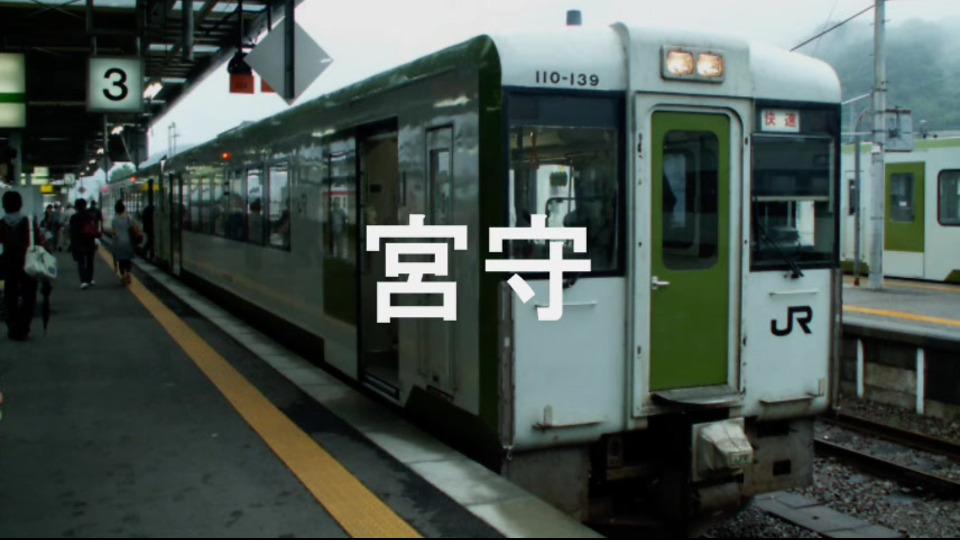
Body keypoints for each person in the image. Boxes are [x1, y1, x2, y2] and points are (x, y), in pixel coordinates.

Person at [0, 191, 50, 341]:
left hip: (8, 265)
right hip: (28, 264)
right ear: (20, 205)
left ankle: (12, 327)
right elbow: (40, 241)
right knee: (29, 296)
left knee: (10, 296)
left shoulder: (1, 224)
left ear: (4, 206)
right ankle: (23, 328)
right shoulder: (29, 222)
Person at [69, 198, 99, 289]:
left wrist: (72, 244)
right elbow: (95, 228)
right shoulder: (90, 216)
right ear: (85, 206)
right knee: (90, 261)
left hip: (79, 242)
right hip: (90, 241)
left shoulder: (74, 217)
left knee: (81, 262)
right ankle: (89, 279)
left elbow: (72, 232)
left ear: (76, 207)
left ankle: (83, 282)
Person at [110, 201, 138, 287]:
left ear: (116, 209)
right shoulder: (129, 218)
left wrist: (113, 239)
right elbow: (134, 227)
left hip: (118, 242)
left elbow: (114, 232)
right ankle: (128, 273)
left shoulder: (114, 219)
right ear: (124, 208)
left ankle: (123, 276)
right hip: (128, 241)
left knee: (121, 260)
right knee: (128, 259)